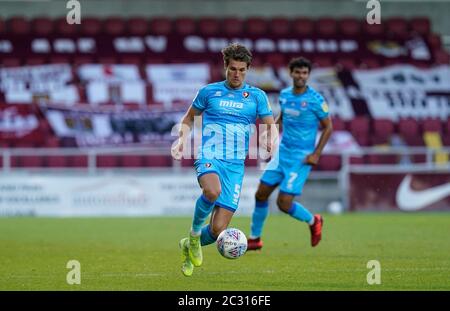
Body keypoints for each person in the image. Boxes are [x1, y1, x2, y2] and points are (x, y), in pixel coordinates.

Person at [171, 43, 276, 276]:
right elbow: (189, 119)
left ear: (248, 69)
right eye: (232, 69)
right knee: (212, 192)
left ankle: (188, 247)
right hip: (210, 155)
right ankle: (194, 236)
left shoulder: (257, 96)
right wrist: (180, 141)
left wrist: (271, 141)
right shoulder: (208, 92)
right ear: (225, 67)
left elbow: (270, 126)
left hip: (235, 166)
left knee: (218, 229)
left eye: (241, 70)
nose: (236, 74)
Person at [247, 57, 333, 251]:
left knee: (283, 203)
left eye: (305, 73)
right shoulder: (285, 95)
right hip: (282, 153)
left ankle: (314, 221)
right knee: (261, 194)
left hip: (301, 158)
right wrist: (271, 132)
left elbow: (328, 128)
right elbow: (282, 117)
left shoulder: (316, 100)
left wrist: (316, 154)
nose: (301, 76)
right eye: (298, 72)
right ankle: (255, 238)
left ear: (308, 75)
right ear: (291, 73)